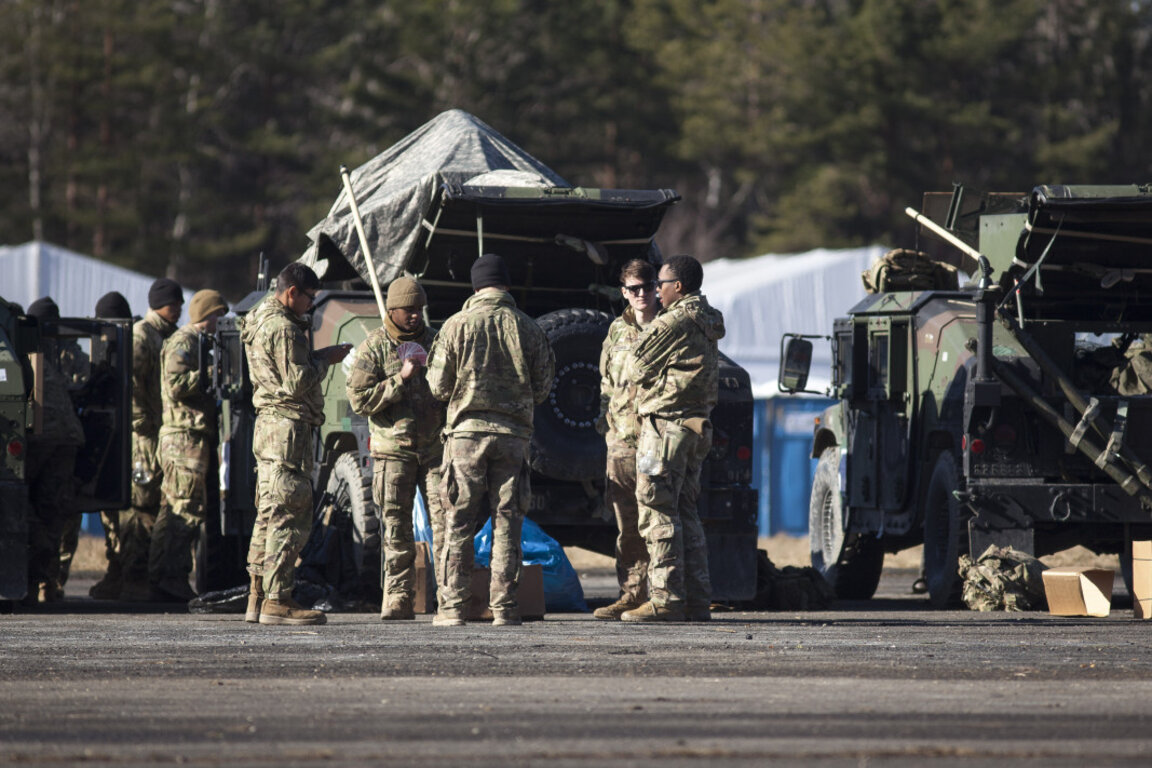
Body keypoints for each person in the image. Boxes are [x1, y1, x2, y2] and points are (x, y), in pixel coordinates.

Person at [426, 253, 554, 627]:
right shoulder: (529, 328)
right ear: (507, 285)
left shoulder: (455, 326)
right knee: (507, 522)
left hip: (465, 437)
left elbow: (437, 386)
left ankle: (452, 609)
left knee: (459, 523)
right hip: (513, 438)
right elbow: (544, 387)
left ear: (475, 286)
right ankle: (505, 608)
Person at [241, 263, 350, 626]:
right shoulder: (285, 329)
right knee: (291, 513)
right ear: (292, 293)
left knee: (269, 513)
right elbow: (297, 382)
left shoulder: (257, 318)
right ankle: (278, 599)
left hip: (269, 428)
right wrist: (325, 358)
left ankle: (257, 598)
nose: (311, 306)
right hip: (288, 430)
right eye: (309, 298)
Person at [621, 255, 724, 623]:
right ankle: (696, 599)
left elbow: (635, 366)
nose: (656, 291)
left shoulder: (675, 319)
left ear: (678, 287)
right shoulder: (706, 316)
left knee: (656, 508)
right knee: (685, 511)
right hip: (695, 428)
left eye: (660, 284)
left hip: (666, 428)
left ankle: (665, 599)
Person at [346, 277, 446, 620]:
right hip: (393, 453)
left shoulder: (436, 342)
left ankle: (450, 599)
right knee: (396, 529)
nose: (416, 316)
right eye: (409, 310)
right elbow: (359, 400)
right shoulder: (374, 347)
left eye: (419, 309)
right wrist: (398, 380)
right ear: (392, 310)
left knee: (446, 524)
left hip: (435, 451)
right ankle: (398, 599)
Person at [147, 288, 228, 602]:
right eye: (218, 316)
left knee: (176, 509)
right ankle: (170, 577)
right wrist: (212, 373)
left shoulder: (200, 343)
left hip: (191, 438)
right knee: (186, 510)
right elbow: (176, 384)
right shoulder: (185, 340)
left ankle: (163, 576)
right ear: (207, 316)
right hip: (183, 438)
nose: (221, 322)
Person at [593, 259, 660, 620]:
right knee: (627, 524)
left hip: (657, 439)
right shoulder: (616, 331)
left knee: (660, 519)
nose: (640, 295)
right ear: (624, 292)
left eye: (646, 287)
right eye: (633, 289)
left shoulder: (668, 327)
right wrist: (609, 432)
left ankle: (663, 594)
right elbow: (606, 384)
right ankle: (632, 593)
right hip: (621, 441)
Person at [115, 279, 184, 600]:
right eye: (174, 303)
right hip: (145, 435)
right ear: (158, 303)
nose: (179, 308)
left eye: (181, 303)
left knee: (156, 503)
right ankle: (132, 577)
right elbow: (128, 383)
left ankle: (143, 576)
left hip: (160, 431)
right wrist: (141, 422)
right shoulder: (143, 335)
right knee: (141, 505)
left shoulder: (167, 335)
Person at [23, 297, 85, 604]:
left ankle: (35, 583)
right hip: (67, 437)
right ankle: (43, 584)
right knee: (52, 513)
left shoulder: (25, 354)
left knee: (24, 505)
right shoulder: (55, 355)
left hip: (41, 439)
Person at [85, 291, 138, 600]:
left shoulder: (130, 346)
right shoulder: (107, 349)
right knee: (112, 515)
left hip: (130, 441)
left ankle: (126, 575)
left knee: (127, 516)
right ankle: (117, 572)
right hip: (114, 440)